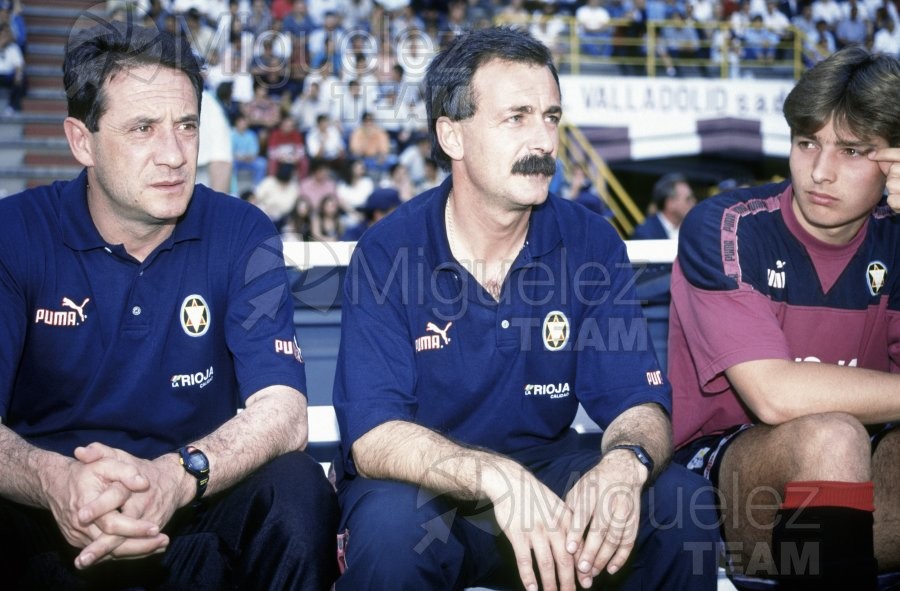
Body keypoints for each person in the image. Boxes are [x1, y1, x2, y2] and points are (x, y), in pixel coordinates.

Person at [332, 26, 719, 591]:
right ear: (452, 136)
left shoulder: (590, 243)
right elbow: (373, 437)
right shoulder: (389, 252)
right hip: (430, 492)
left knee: (677, 505)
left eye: (551, 117)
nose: (544, 141)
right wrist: (494, 476)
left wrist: (623, 464)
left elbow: (639, 403)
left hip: (550, 483)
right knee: (389, 529)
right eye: (517, 117)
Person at [0, 22, 339, 589]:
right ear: (82, 141)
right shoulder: (15, 233)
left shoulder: (240, 230)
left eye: (186, 126)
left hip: (193, 510)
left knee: (297, 489)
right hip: (48, 518)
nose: (174, 154)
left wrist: (176, 478)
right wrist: (54, 481)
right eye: (142, 129)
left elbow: (283, 411)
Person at [668, 46, 900, 588]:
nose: (820, 172)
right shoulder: (726, 226)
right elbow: (776, 396)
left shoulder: (895, 235)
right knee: (829, 438)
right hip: (724, 485)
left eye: (852, 150)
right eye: (807, 143)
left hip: (862, 476)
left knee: (842, 443)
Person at [630, 172, 697, 240]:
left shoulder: (693, 230)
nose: (694, 202)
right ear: (670, 203)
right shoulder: (645, 234)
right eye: (688, 199)